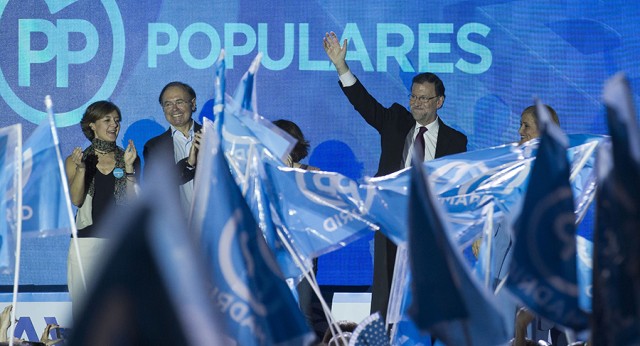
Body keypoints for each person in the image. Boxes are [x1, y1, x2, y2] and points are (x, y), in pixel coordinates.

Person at [322, 31, 468, 318]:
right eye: (413, 96)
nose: (416, 103)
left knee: (427, 299)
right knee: (386, 296)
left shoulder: (455, 141)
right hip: (391, 221)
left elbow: (458, 186)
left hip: (430, 229)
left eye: (424, 98)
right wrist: (341, 66)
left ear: (439, 101)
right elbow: (364, 103)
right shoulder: (395, 121)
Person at [64, 101, 139, 316]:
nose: (114, 125)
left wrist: (130, 168)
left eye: (117, 121)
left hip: (120, 242)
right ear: (92, 126)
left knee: (122, 313)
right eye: (107, 120)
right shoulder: (76, 160)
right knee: (85, 313)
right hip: (86, 243)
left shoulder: (129, 157)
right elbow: (76, 200)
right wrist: (81, 169)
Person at [272, 119, 323, 339]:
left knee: (303, 314)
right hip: (271, 252)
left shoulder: (311, 174)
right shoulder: (262, 173)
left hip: (302, 254)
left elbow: (317, 214)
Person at [143, 81, 202, 214]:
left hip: (212, 225)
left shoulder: (212, 137)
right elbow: (156, 189)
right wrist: (189, 164)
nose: (174, 109)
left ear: (192, 104)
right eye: (168, 104)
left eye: (179, 102)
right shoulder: (154, 147)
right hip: (178, 228)